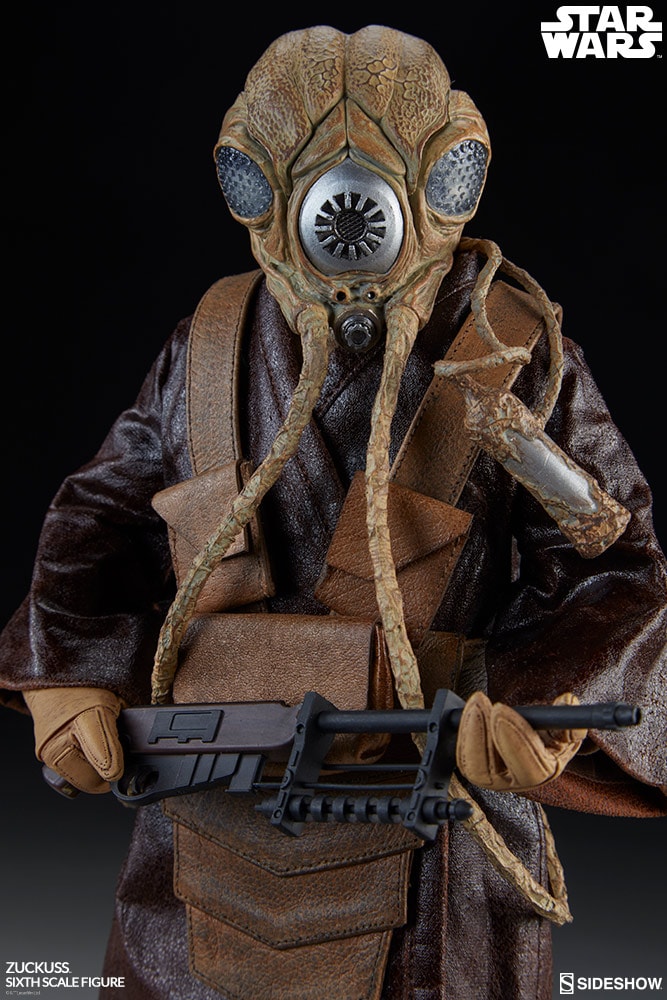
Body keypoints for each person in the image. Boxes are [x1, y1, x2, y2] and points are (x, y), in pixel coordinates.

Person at [1, 24, 665, 1000]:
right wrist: (69, 669)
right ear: (254, 186)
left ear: (450, 178)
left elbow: (612, 564)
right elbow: (101, 518)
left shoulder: (508, 353)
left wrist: (542, 702)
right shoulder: (212, 344)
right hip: (210, 797)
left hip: (429, 799)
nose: (346, 200)